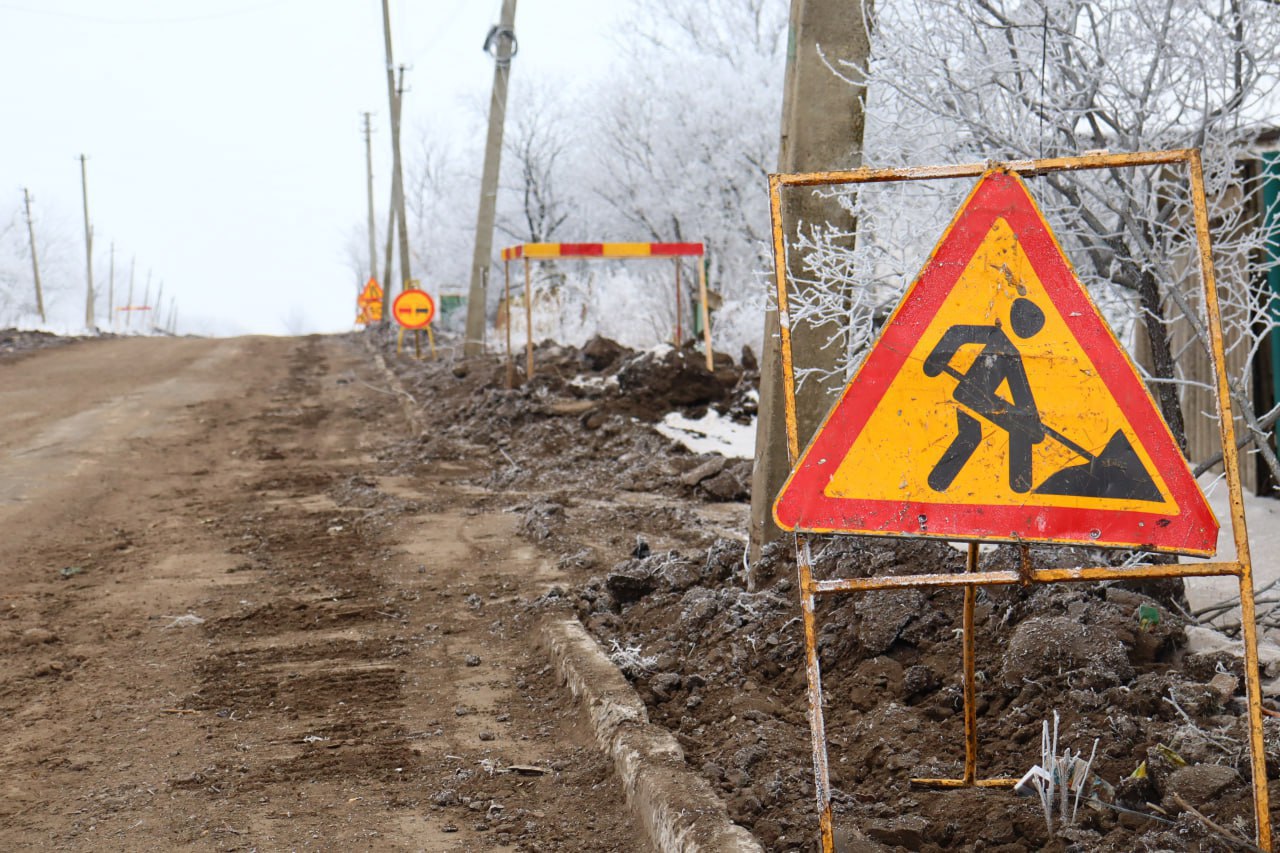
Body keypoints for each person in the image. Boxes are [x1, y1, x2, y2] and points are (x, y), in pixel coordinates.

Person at [922, 297, 1047, 493]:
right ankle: (937, 482)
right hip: (972, 393)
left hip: (980, 398)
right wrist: (934, 363)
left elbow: (1021, 392)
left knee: (979, 433)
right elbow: (957, 333)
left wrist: (1033, 424)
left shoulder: (1013, 353)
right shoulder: (997, 337)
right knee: (983, 433)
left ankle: (1019, 484)